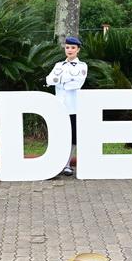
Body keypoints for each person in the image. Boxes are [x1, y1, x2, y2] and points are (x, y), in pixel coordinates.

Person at [45, 36, 87, 176]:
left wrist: (59, 81)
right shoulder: (58, 65)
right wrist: (67, 79)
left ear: (78, 50)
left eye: (73, 48)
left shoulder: (82, 66)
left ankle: (67, 164)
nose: (70, 50)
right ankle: (57, 164)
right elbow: (49, 80)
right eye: (67, 47)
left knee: (73, 137)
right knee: (59, 136)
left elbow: (77, 84)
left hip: (73, 108)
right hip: (59, 107)